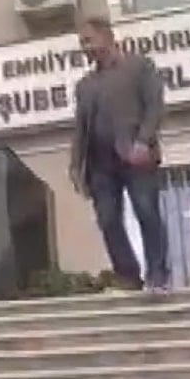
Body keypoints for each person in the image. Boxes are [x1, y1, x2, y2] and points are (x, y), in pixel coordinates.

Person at [71, 15, 169, 294]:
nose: (85, 48)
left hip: (137, 157)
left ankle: (158, 275)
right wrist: (76, 166)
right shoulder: (85, 85)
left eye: (88, 40)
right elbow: (80, 128)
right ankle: (128, 276)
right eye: (82, 43)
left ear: (107, 37)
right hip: (100, 165)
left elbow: (154, 106)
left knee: (146, 212)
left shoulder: (139, 67)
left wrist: (144, 141)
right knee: (108, 220)